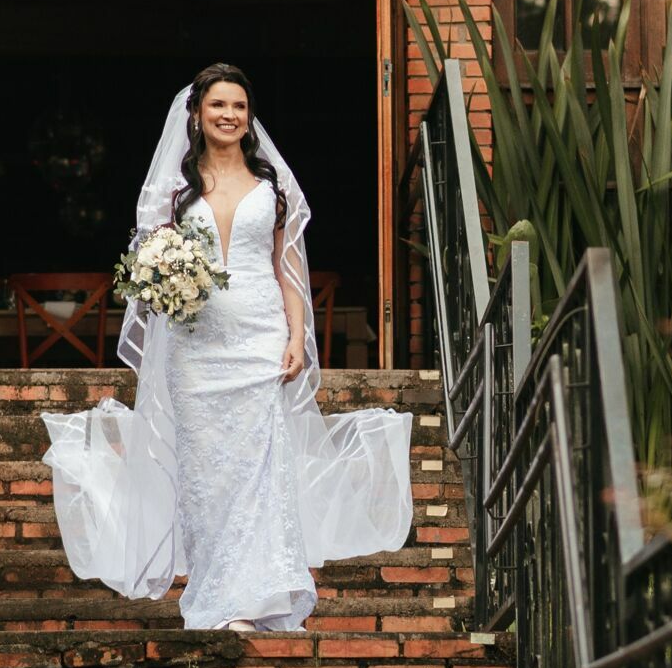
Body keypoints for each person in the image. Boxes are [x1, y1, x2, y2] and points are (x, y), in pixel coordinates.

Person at [39, 63, 414, 633]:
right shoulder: (174, 190)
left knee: (260, 469)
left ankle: (259, 597)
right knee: (207, 475)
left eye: (239, 106)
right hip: (195, 350)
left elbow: (289, 273)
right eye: (218, 104)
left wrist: (296, 337)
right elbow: (145, 266)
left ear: (249, 116)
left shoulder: (273, 187)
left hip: (260, 338)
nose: (229, 115)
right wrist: (162, 280)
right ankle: (215, 594)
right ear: (197, 114)